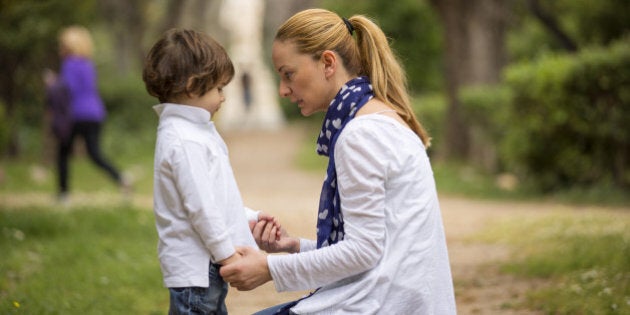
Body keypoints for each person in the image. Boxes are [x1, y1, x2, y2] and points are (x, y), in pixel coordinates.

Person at [220, 8, 457, 314]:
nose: (284, 90)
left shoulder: (360, 134)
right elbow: (376, 247)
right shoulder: (382, 117)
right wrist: (295, 249)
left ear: (328, 63)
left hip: (381, 304)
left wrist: (270, 267)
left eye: (288, 74)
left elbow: (363, 252)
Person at [142, 28, 279, 315]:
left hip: (206, 267)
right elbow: (201, 207)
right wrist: (226, 255)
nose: (224, 97)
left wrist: (250, 218)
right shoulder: (184, 139)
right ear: (193, 86)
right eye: (219, 88)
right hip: (197, 271)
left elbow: (216, 197)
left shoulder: (195, 131)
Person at [57, 25, 128, 202]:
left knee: (63, 153)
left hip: (75, 114)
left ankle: (63, 194)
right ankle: (121, 178)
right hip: (95, 113)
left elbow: (69, 89)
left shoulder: (69, 64)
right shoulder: (88, 64)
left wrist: (53, 85)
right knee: (95, 153)